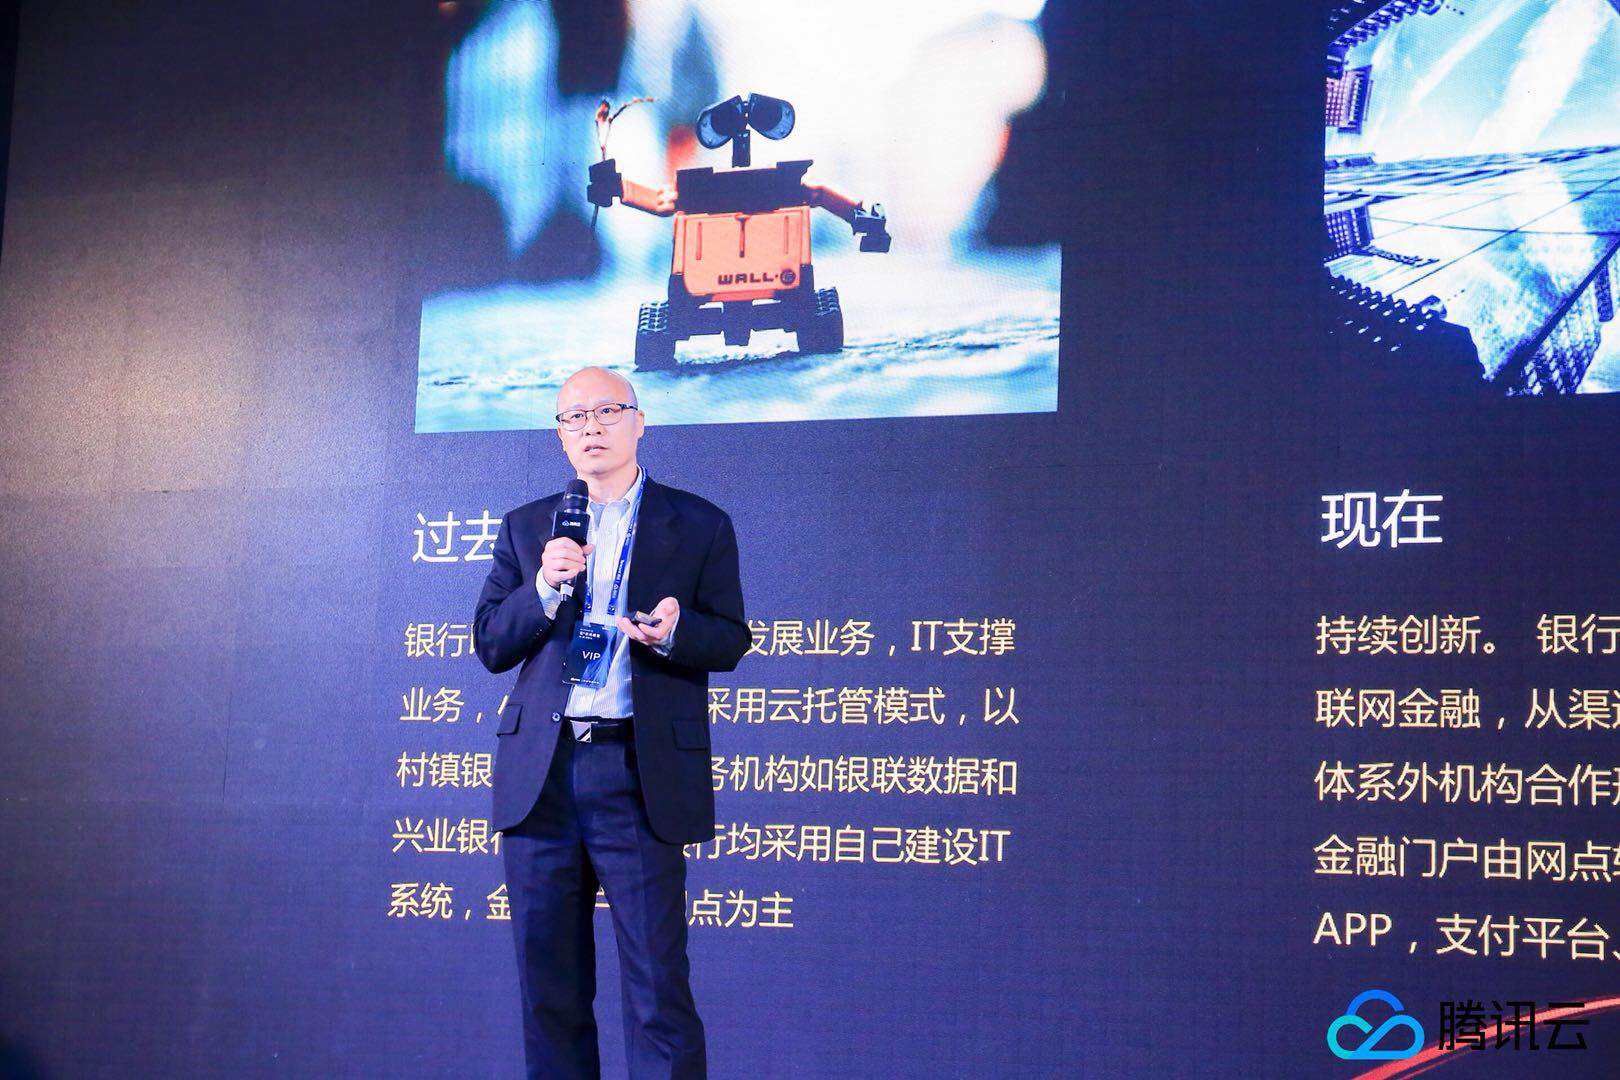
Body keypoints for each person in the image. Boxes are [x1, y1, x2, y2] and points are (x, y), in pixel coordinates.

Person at [473, 366, 750, 1080]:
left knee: (658, 988)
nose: (590, 427)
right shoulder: (528, 526)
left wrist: (676, 632)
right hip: (543, 775)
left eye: (606, 411)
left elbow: (730, 639)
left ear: (639, 421)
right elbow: (491, 644)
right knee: (549, 992)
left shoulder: (698, 523)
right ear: (560, 436)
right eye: (574, 417)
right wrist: (544, 584)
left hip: (636, 771)